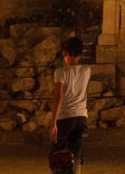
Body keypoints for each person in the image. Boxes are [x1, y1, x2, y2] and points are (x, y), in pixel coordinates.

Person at [49, 37, 91, 173]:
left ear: (65, 53)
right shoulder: (87, 70)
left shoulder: (60, 72)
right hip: (81, 117)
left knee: (57, 155)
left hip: (65, 117)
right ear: (80, 54)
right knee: (76, 153)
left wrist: (53, 122)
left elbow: (58, 96)